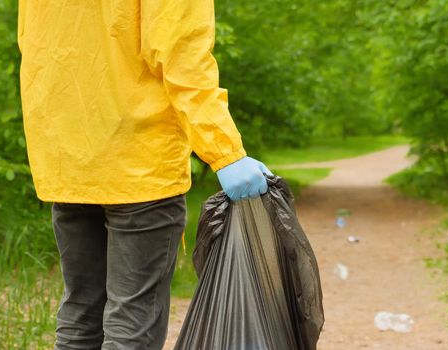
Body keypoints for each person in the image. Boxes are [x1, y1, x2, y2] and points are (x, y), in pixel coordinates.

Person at [17, 0, 271, 348]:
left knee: (80, 313)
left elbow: (35, 45)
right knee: (131, 320)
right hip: (139, 163)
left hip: (68, 160)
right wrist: (225, 152)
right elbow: (182, 57)